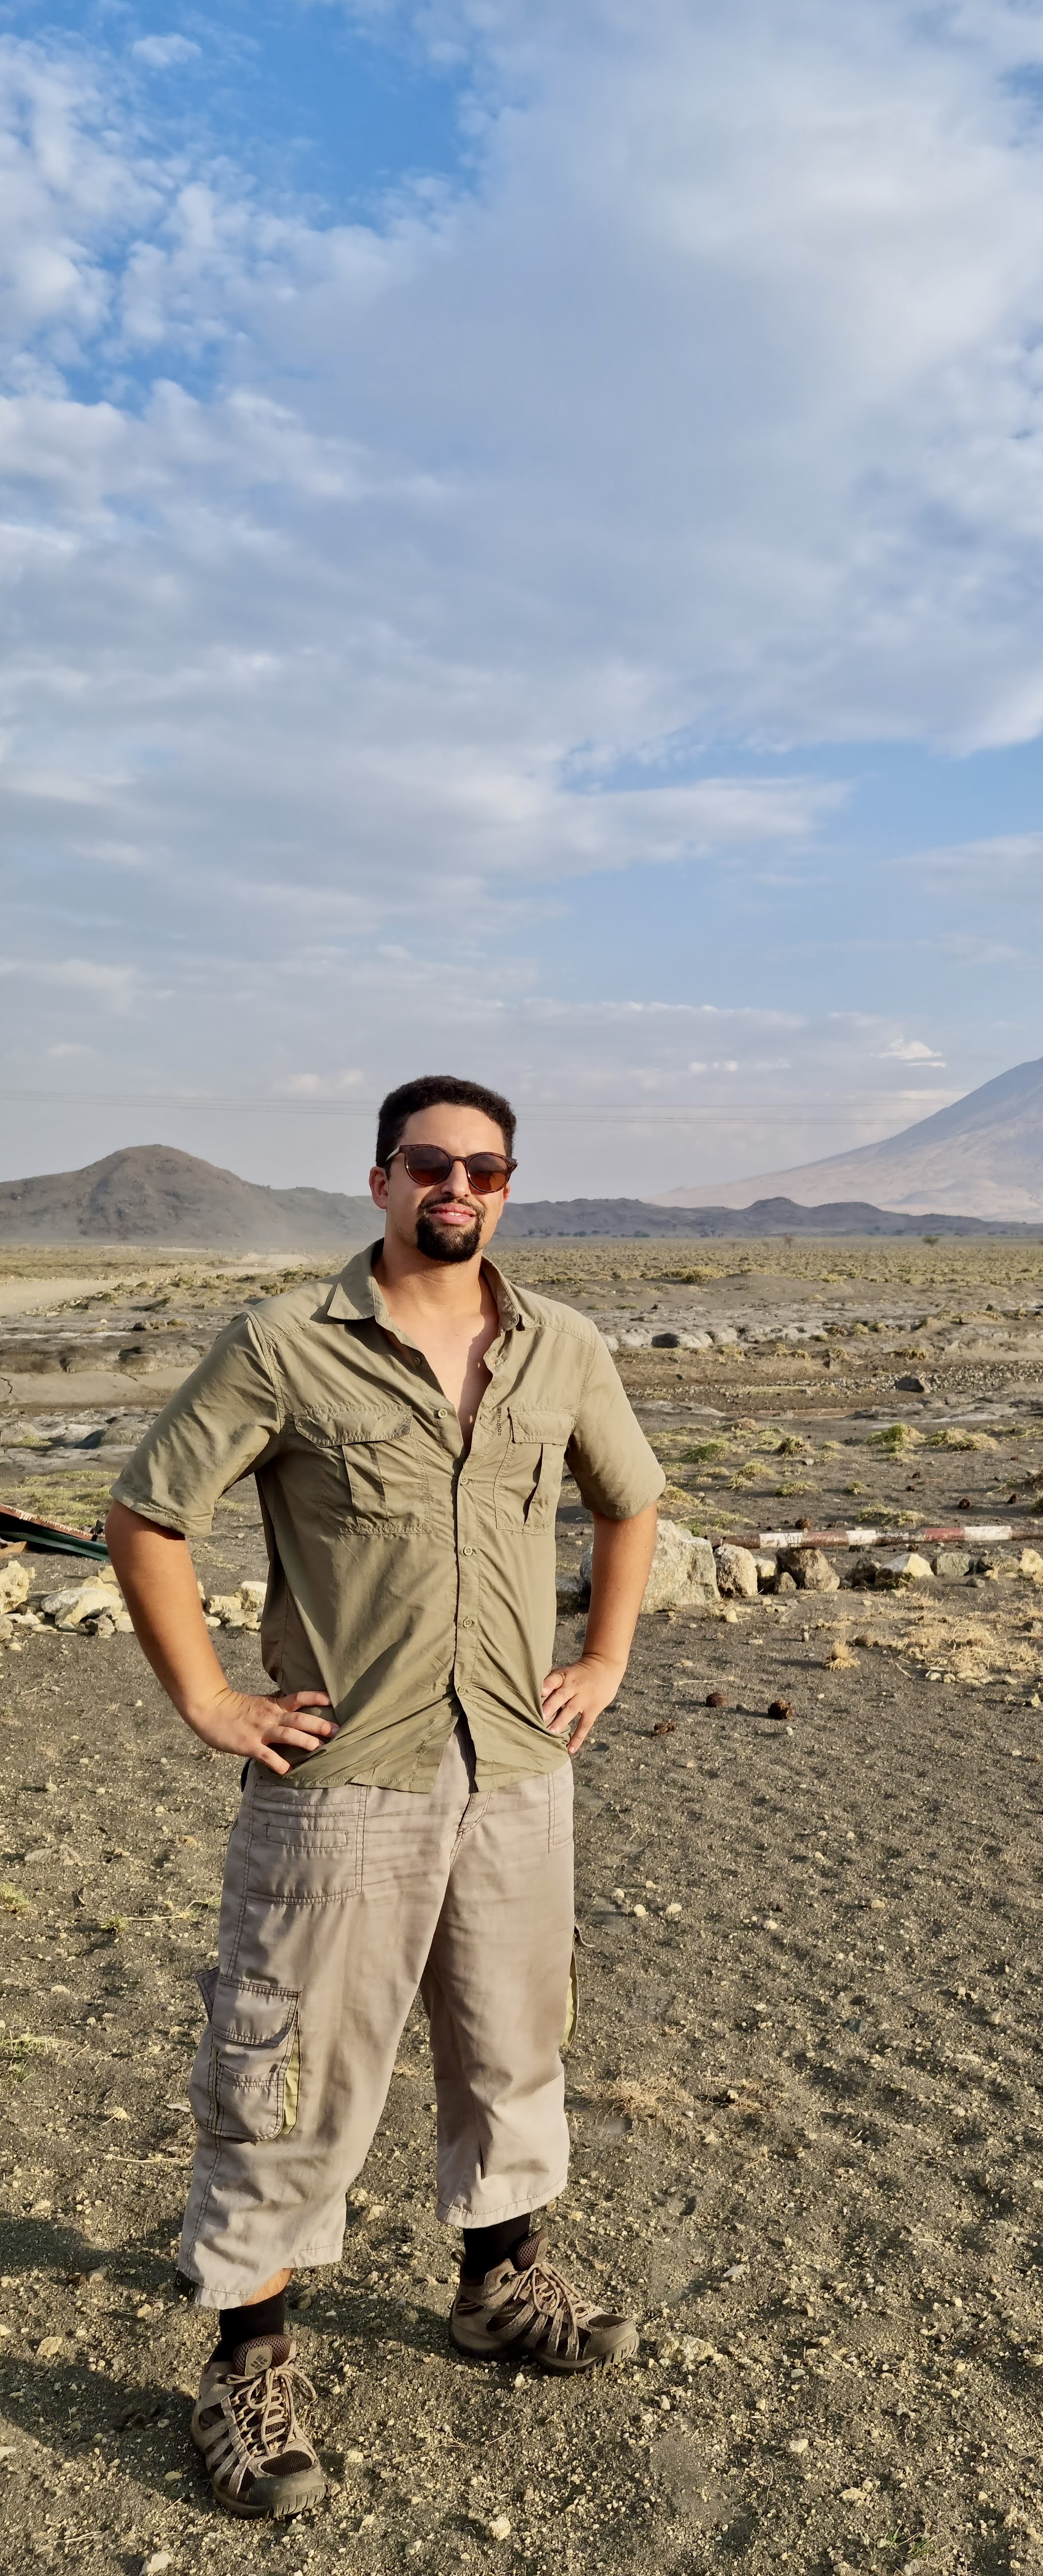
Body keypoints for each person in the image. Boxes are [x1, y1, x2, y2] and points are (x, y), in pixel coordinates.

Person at [107, 1075, 663, 2520]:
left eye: (485, 1167)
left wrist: (602, 1655)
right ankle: (248, 2361)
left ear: (507, 1182)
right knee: (288, 2068)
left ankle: (498, 2284)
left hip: (516, 1773)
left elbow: (630, 1499)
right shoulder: (288, 1345)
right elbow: (148, 1512)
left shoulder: (564, 1348)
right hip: (342, 1782)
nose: (458, 1188)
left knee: (513, 2044)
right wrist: (210, 1697)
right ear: (380, 1180)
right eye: (431, 1164)